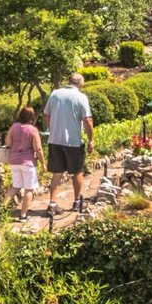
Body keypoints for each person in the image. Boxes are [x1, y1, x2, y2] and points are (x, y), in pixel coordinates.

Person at [43, 73, 94, 215]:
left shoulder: (55, 94)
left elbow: (46, 115)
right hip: (73, 141)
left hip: (54, 140)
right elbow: (88, 120)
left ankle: (52, 204)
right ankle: (77, 202)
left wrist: (52, 128)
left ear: (68, 81)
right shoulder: (81, 97)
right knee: (77, 171)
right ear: (81, 83)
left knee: (57, 173)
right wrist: (91, 140)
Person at [4, 106, 43, 220]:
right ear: (32, 116)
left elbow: (7, 142)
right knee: (29, 189)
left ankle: (2, 208)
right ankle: (23, 215)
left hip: (14, 161)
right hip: (28, 163)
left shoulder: (14, 127)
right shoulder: (33, 130)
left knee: (15, 186)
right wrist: (43, 163)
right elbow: (38, 149)